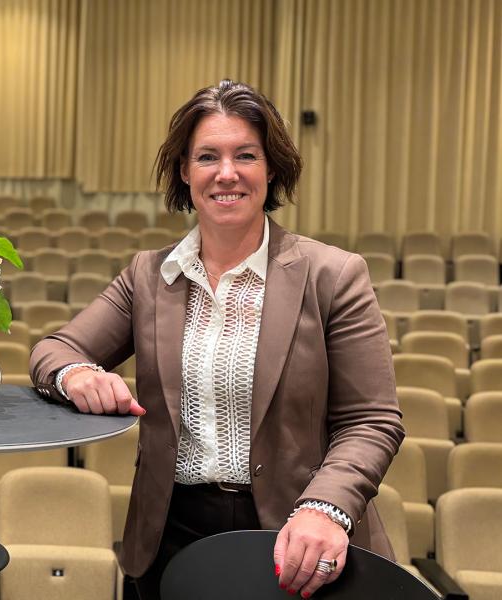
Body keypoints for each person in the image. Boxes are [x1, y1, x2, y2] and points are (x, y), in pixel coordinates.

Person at [30, 79, 403, 600]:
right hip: (170, 533)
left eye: (245, 155)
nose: (226, 173)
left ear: (270, 168)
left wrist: (326, 507)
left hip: (295, 533)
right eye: (208, 156)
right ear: (185, 171)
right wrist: (76, 374)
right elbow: (53, 349)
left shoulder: (333, 275)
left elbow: (372, 419)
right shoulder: (148, 275)